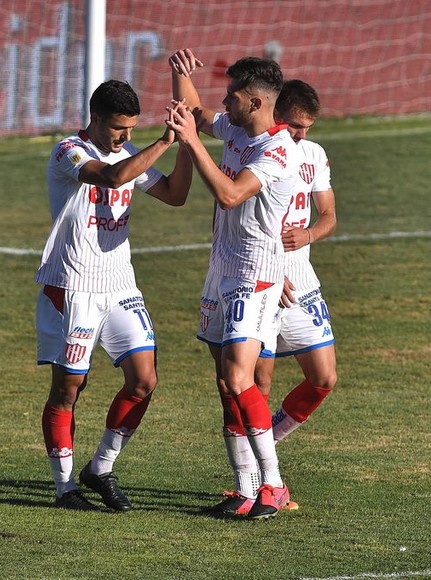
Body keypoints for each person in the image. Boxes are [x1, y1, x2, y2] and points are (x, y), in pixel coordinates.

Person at [36, 80, 193, 511]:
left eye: (130, 129)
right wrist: (163, 140)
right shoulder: (69, 150)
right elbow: (109, 178)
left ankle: (101, 467)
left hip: (120, 284)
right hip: (73, 285)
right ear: (96, 118)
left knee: (144, 381)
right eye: (118, 129)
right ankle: (65, 489)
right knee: (68, 388)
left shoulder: (129, 153)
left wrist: (186, 145)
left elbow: (176, 196)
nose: (125, 137)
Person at [166, 48, 300, 519]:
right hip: (220, 270)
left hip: (254, 275)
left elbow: (228, 195)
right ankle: (244, 489)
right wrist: (181, 76)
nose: (223, 105)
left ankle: (273, 485)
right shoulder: (236, 128)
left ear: (256, 102)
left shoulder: (277, 151)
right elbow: (197, 116)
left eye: (232, 98)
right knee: (226, 383)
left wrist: (192, 142)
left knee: (240, 378)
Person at [255, 78, 338, 474]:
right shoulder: (259, 153)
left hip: (302, 279)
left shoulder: (314, 155)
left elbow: (329, 217)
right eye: (294, 126)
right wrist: (270, 270)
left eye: (307, 128)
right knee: (258, 384)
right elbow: (240, 220)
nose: (301, 135)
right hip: (262, 277)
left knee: (323, 378)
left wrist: (308, 234)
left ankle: (265, 444)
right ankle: (255, 478)